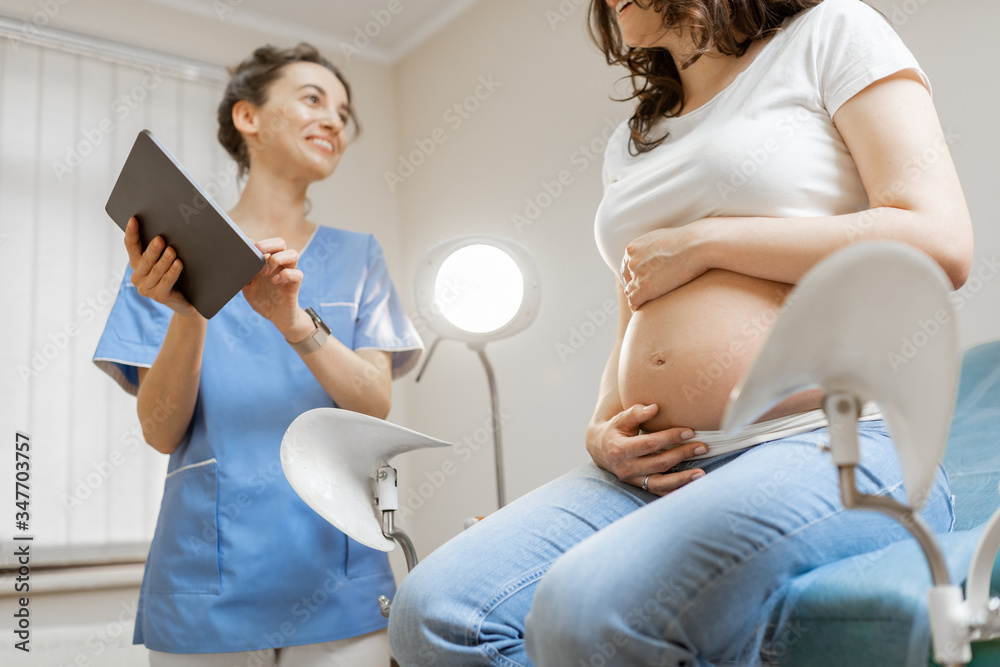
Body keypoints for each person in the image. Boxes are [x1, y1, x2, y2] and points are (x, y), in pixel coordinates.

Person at [387, 0, 974, 665]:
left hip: (825, 440)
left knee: (584, 611)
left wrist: (709, 242)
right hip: (651, 471)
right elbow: (637, 297)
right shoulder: (635, 137)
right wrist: (601, 427)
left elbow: (938, 238)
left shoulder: (831, 31)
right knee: (436, 612)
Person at [93, 43, 423, 665]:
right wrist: (189, 311)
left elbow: (374, 402)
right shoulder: (165, 256)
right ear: (248, 118)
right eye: (312, 99)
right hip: (207, 582)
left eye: (343, 111)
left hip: (339, 572)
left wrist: (293, 322)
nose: (334, 120)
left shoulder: (360, 258)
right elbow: (162, 429)